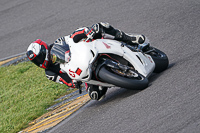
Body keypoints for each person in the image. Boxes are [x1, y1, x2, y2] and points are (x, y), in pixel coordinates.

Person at [26, 22, 146, 101]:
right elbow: (65, 81)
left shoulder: (58, 43)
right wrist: (73, 83)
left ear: (43, 50)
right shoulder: (49, 73)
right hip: (82, 72)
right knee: (95, 95)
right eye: (36, 61)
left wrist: (86, 32)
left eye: (39, 57)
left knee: (100, 27)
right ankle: (117, 77)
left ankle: (129, 38)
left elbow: (73, 37)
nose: (39, 61)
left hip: (86, 51)